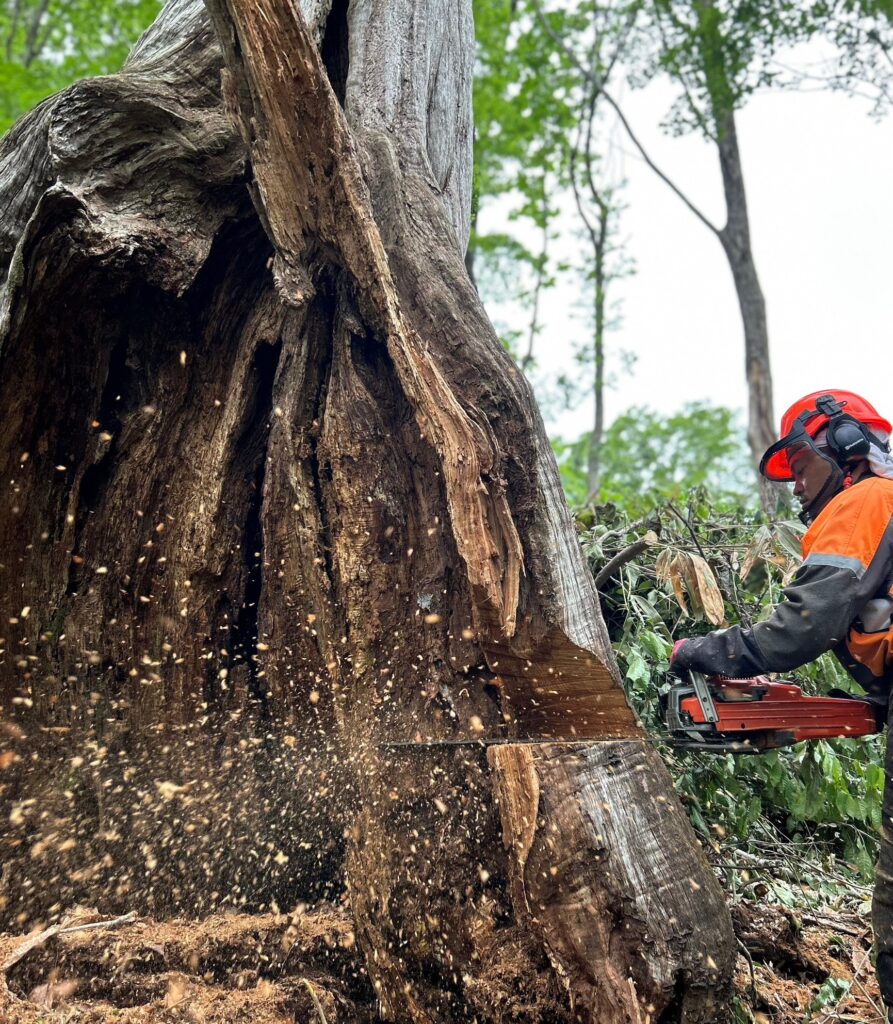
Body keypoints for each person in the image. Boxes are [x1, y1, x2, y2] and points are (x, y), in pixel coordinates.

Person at [670, 389, 893, 1019]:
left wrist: (702, 650)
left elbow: (799, 629)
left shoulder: (865, 501)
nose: (795, 487)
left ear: (844, 446)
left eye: (800, 466)